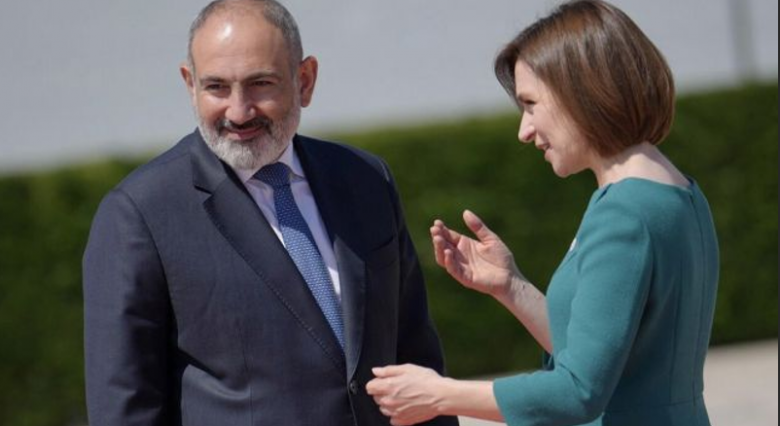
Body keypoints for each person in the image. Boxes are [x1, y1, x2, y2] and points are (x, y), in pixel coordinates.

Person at [82, 1, 458, 425]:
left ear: (305, 80)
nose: (239, 112)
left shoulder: (365, 179)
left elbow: (416, 356)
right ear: (190, 84)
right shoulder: (141, 213)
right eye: (216, 87)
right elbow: (125, 408)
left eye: (260, 84)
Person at [366, 1, 719, 425]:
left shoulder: (624, 215)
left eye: (530, 103)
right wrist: (510, 285)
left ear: (582, 89)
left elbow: (578, 392)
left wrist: (439, 394)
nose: (524, 130)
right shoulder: (678, 193)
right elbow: (604, 359)